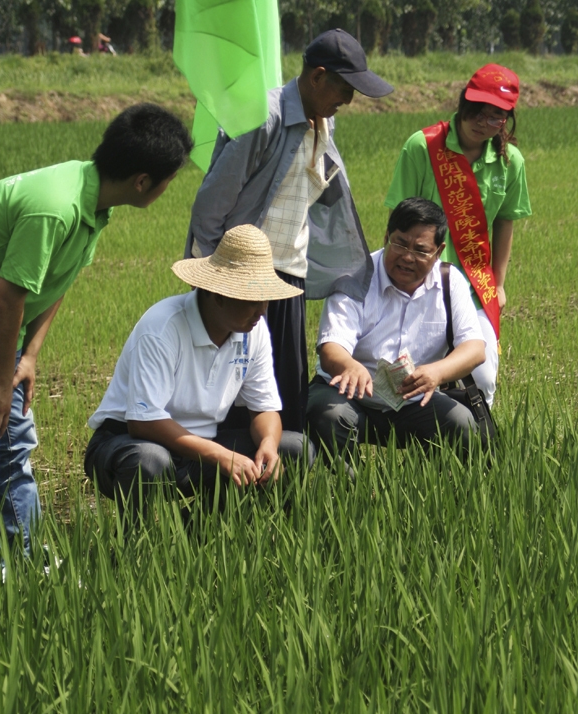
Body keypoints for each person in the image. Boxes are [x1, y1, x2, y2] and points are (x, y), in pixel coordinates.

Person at [0, 103, 192, 557]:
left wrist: (31, 354)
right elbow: (6, 299)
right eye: (168, 179)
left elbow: (55, 279)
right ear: (142, 181)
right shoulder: (55, 209)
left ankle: (25, 565)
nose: (167, 188)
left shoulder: (97, 203)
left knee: (15, 450)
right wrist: (2, 381)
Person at [186, 28, 393, 433]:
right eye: (344, 89)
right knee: (232, 385)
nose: (348, 101)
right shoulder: (263, 117)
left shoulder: (323, 124)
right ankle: (226, 480)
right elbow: (213, 199)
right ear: (317, 77)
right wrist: (211, 276)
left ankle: (283, 479)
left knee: (284, 389)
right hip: (241, 274)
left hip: (287, 276)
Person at [85, 225, 315, 517]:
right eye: (252, 299)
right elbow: (143, 423)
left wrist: (268, 443)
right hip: (131, 443)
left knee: (294, 448)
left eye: (265, 299)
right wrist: (221, 455)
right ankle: (135, 546)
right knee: (149, 460)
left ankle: (197, 533)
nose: (262, 310)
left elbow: (264, 408)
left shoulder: (253, 330)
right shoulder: (163, 327)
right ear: (217, 294)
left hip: (203, 445)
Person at [385, 64, 531, 408]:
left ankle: (476, 450)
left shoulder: (511, 162)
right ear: (464, 101)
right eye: (478, 110)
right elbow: (398, 221)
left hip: (473, 284)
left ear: (507, 120)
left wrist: (498, 283)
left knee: (481, 376)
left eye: (497, 116)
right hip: (422, 280)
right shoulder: (422, 147)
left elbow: (505, 222)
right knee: (417, 373)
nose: (484, 121)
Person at [307, 198, 487, 463]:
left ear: (438, 252)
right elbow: (331, 348)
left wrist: (437, 372)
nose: (407, 257)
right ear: (386, 237)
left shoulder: (450, 282)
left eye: (420, 250)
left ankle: (427, 490)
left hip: (414, 402)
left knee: (461, 423)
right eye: (399, 243)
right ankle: (350, 492)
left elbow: (475, 349)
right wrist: (349, 366)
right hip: (351, 397)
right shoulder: (354, 278)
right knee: (329, 414)